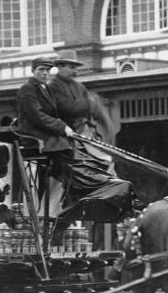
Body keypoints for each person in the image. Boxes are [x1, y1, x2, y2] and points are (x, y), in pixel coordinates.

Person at [14, 50, 132, 245]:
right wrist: (64, 126)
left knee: (98, 157)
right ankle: (79, 182)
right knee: (67, 152)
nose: (45, 73)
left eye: (47, 70)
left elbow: (82, 108)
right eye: (42, 70)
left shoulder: (53, 88)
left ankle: (88, 183)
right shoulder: (34, 89)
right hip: (40, 134)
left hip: (63, 132)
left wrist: (76, 116)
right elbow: (46, 114)